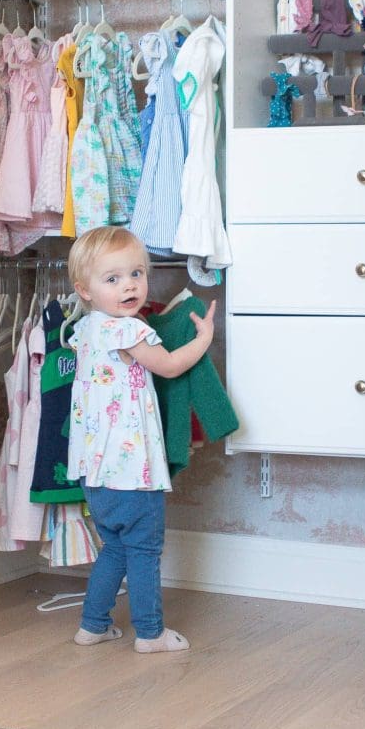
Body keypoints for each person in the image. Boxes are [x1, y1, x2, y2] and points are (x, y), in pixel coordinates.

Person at [66, 225, 216, 653]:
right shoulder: (129, 331)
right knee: (145, 552)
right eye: (112, 279)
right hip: (132, 471)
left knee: (114, 547)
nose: (129, 285)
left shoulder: (86, 331)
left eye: (136, 273)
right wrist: (203, 339)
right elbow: (168, 366)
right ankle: (150, 633)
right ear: (85, 289)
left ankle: (93, 624)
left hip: (95, 472)